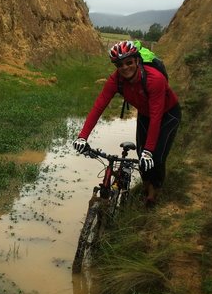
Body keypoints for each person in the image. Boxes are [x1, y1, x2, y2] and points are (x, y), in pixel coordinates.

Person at [73, 40, 181, 207]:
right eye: (119, 65)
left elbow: (156, 116)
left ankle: (153, 195)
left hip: (167, 115)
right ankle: (145, 188)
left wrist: (149, 150)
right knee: (141, 153)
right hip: (145, 115)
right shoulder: (116, 80)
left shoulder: (155, 79)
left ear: (137, 60)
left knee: (156, 157)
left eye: (129, 62)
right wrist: (82, 137)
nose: (125, 68)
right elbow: (98, 106)